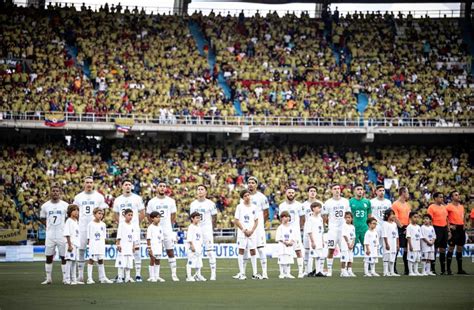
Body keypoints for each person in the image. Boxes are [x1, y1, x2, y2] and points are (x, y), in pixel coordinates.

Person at [73, 177, 107, 282]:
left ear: (93, 184)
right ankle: (80, 276)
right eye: (87, 182)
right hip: (82, 227)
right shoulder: (78, 197)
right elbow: (74, 212)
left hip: (96, 228)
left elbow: (103, 211)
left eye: (91, 182)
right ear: (84, 183)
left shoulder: (99, 196)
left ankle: (102, 277)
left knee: (100, 252)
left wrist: (99, 223)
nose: (89, 184)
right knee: (81, 250)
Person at [114, 179, 146, 282]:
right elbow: (115, 214)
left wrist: (135, 223)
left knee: (136, 250)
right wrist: (122, 225)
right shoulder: (118, 199)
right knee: (122, 251)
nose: (128, 186)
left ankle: (137, 275)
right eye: (126, 184)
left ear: (131, 186)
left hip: (134, 229)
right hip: (123, 230)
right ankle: (121, 275)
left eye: (129, 185)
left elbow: (142, 213)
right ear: (122, 186)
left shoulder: (137, 198)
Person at [40, 185, 69, 285]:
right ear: (50, 192)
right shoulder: (45, 206)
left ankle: (65, 278)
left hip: (62, 234)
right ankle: (48, 278)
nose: (55, 193)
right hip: (50, 235)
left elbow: (69, 218)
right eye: (53, 191)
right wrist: (48, 226)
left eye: (57, 191)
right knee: (48, 256)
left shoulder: (65, 205)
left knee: (64, 257)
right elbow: (42, 218)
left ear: (60, 192)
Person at [189, 184, 217, 280]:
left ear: (206, 192)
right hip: (197, 229)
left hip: (207, 229)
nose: (200, 191)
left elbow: (214, 217)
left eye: (202, 189)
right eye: (198, 189)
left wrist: (212, 228)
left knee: (210, 251)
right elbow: (191, 218)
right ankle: (198, 274)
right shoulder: (193, 204)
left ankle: (213, 274)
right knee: (198, 252)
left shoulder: (210, 204)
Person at [322, 184, 350, 277]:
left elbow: (348, 215)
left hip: (343, 229)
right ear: (331, 191)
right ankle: (329, 270)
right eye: (335, 189)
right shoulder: (328, 202)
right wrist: (326, 226)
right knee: (331, 249)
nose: (337, 190)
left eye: (338, 188)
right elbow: (325, 216)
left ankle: (343, 270)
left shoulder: (345, 201)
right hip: (332, 229)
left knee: (344, 250)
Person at [245, 177, 269, 279]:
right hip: (248, 227)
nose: (250, 184)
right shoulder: (244, 197)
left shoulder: (262, 197)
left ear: (256, 185)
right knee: (250, 249)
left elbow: (266, 213)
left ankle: (264, 273)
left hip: (258, 227)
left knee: (261, 249)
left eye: (253, 183)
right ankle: (254, 273)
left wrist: (260, 223)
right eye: (249, 183)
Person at [278, 187, 305, 278]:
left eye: (292, 192)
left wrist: (299, 228)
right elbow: (280, 218)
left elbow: (302, 218)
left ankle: (300, 272)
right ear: (286, 194)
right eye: (289, 192)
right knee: (285, 252)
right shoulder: (282, 205)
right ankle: (285, 273)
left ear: (295, 194)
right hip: (285, 232)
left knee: (298, 251)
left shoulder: (299, 205)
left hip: (295, 232)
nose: (291, 194)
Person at [233, 190, 259, 280]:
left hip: (251, 233)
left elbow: (256, 221)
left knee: (253, 251)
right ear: (242, 198)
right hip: (242, 233)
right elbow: (236, 220)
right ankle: (242, 273)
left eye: (248, 195)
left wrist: (251, 230)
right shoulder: (239, 207)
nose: (248, 197)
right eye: (245, 196)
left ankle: (255, 273)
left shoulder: (254, 207)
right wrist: (244, 230)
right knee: (241, 251)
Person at [86, 208, 112, 284]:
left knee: (101, 260)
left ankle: (102, 277)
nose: (100, 215)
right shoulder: (90, 224)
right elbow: (88, 237)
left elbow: (103, 236)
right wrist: (90, 245)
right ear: (94, 214)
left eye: (102, 214)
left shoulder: (103, 224)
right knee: (91, 260)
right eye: (99, 213)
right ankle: (89, 278)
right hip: (93, 244)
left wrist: (103, 245)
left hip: (100, 245)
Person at [302, 185, 323, 274]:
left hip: (316, 232)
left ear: (316, 193)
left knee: (318, 252)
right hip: (308, 231)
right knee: (307, 251)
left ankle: (318, 270)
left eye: (314, 191)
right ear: (308, 193)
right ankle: (307, 270)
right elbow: (302, 218)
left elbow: (324, 217)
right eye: (311, 191)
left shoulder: (320, 203)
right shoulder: (304, 205)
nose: (313, 192)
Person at [446, 190, 468, 275]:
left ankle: (460, 269)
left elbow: (464, 216)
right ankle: (448, 269)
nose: (458, 196)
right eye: (456, 195)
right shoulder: (448, 207)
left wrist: (464, 225)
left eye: (458, 195)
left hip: (460, 228)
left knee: (460, 248)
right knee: (451, 247)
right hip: (453, 228)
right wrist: (449, 227)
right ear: (452, 197)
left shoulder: (461, 206)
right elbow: (445, 218)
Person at [427, 192, 449, 275]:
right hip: (436, 228)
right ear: (435, 198)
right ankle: (432, 269)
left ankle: (443, 270)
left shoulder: (444, 207)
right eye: (440, 197)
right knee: (434, 249)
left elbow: (447, 219)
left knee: (443, 249)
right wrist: (432, 231)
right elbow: (429, 220)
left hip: (444, 229)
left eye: (442, 197)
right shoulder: (431, 207)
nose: (442, 198)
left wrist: (448, 230)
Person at [391, 186, 411, 275]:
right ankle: (393, 269)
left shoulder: (407, 204)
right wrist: (402, 227)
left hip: (407, 227)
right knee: (397, 248)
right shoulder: (395, 204)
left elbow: (409, 217)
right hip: (399, 228)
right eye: (407, 192)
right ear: (403, 193)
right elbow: (395, 217)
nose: (408, 194)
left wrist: (409, 227)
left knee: (407, 248)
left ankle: (407, 269)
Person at [303, 202, 326, 277]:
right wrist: (312, 241)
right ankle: (309, 272)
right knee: (312, 256)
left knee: (319, 256)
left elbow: (321, 230)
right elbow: (309, 231)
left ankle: (318, 271)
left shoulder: (320, 218)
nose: (320, 209)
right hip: (314, 240)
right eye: (318, 207)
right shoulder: (310, 219)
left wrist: (322, 240)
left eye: (320, 207)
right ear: (313, 208)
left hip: (319, 240)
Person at [115, 208, 136, 283]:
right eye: (129, 215)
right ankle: (120, 277)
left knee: (129, 263)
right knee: (121, 262)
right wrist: (118, 244)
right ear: (125, 215)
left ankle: (127, 277)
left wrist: (133, 246)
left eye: (131, 215)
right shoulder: (122, 224)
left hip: (129, 246)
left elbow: (133, 237)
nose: (130, 216)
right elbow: (119, 235)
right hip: (123, 246)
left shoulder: (132, 225)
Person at [349, 184, 372, 250]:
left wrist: (369, 227)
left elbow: (369, 216)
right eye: (358, 189)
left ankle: (368, 260)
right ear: (354, 191)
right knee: (351, 248)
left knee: (367, 248)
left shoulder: (367, 202)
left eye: (361, 189)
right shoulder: (350, 202)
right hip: (354, 228)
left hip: (364, 228)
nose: (360, 191)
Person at [63, 204, 81, 285]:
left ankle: (74, 279)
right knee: (69, 261)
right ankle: (67, 279)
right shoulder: (68, 221)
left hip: (76, 244)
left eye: (77, 210)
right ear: (70, 212)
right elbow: (67, 233)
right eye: (74, 210)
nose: (76, 212)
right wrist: (69, 245)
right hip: (71, 244)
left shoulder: (76, 221)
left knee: (74, 262)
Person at [276, 211, 296, 279]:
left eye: (287, 217)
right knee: (281, 260)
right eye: (284, 217)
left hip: (289, 246)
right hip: (282, 246)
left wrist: (291, 242)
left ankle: (288, 273)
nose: (286, 218)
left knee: (288, 260)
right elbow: (279, 238)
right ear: (281, 218)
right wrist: (285, 242)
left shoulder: (291, 227)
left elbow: (293, 236)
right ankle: (281, 273)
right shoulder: (280, 228)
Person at [146, 211, 165, 282]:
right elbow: (148, 239)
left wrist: (162, 246)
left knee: (158, 261)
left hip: (159, 246)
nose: (159, 219)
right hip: (153, 247)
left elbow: (162, 238)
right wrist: (149, 249)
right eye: (157, 217)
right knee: (152, 260)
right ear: (152, 218)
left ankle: (157, 276)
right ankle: (151, 276)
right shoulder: (150, 227)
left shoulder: (160, 227)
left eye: (159, 217)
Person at [186, 212, 204, 282]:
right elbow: (189, 238)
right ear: (192, 219)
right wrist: (192, 246)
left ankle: (198, 275)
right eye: (196, 218)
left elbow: (200, 237)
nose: (198, 219)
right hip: (192, 247)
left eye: (199, 218)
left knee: (198, 262)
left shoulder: (199, 227)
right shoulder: (191, 227)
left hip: (198, 247)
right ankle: (189, 276)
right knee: (190, 262)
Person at [382, 209, 399, 277]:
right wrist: (386, 244)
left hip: (393, 243)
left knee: (392, 257)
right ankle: (385, 272)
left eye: (393, 214)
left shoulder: (394, 224)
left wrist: (397, 244)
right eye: (391, 214)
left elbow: (396, 235)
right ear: (387, 215)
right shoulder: (385, 224)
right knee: (386, 257)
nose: (393, 216)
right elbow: (384, 235)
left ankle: (392, 271)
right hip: (388, 243)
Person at [340, 211, 356, 277]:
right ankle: (343, 271)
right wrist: (348, 243)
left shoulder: (352, 226)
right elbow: (344, 235)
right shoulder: (344, 225)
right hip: (345, 245)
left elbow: (354, 236)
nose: (347, 219)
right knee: (344, 258)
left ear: (352, 218)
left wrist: (352, 244)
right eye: (346, 217)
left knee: (350, 258)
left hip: (350, 245)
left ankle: (349, 270)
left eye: (349, 217)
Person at [406, 212, 422, 276]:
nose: (416, 218)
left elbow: (420, 237)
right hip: (412, 246)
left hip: (417, 246)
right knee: (411, 259)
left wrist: (420, 245)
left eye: (417, 217)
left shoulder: (418, 227)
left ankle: (416, 271)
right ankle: (410, 271)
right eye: (414, 217)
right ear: (410, 218)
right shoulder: (409, 227)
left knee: (417, 259)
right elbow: (408, 236)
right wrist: (410, 245)